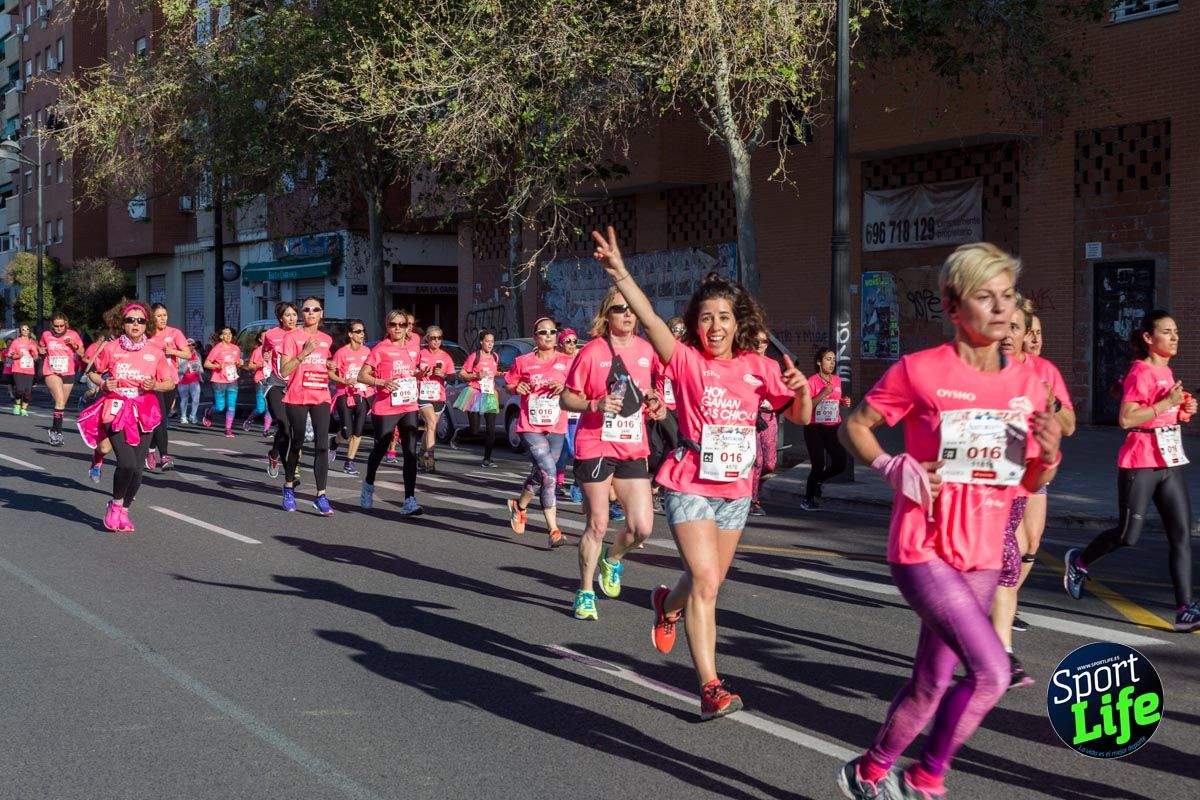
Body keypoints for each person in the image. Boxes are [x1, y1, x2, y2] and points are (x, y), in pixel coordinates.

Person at [835, 242, 1062, 800]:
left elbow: (1027, 484)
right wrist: (892, 466)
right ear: (952, 305)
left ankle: (866, 773)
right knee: (991, 672)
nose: (1001, 308)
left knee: (932, 682)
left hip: (984, 554)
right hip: (922, 547)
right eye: (986, 297)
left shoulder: (1030, 387)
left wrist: (1050, 457)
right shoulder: (921, 371)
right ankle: (925, 779)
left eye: (1007, 296)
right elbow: (855, 427)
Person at [589, 228, 811, 718]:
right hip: (687, 482)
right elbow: (648, 318)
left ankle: (667, 604)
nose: (715, 326)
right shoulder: (685, 361)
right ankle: (711, 688)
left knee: (705, 582)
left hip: (735, 490)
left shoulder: (759, 366)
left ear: (738, 324)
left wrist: (802, 388)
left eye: (724, 318)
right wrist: (621, 273)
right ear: (696, 323)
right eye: (706, 317)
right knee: (707, 578)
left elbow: (801, 417)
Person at [1065, 310, 1200, 632]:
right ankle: (1079, 563)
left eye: (1176, 331)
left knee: (1181, 535)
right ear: (1148, 338)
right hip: (1140, 462)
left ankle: (1184, 610)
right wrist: (1167, 404)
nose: (1175, 337)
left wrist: (1183, 410)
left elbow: (1163, 413)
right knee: (1128, 536)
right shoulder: (1141, 371)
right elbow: (1126, 419)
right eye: (1167, 332)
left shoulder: (1165, 370)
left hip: (1168, 461)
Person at [559, 282, 663, 622]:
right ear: (607, 315)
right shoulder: (592, 352)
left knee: (642, 528)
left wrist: (657, 403)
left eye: (632, 308)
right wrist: (596, 403)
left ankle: (613, 559)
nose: (628, 314)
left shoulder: (647, 350)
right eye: (621, 309)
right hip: (596, 443)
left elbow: (657, 387)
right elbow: (566, 398)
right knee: (598, 522)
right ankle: (586, 591)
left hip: (633, 445)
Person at [989, 298, 1077, 688]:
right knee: (1008, 550)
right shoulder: (980, 367)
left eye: (1020, 329)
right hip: (988, 479)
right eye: (1005, 326)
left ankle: (1000, 623)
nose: (1017, 336)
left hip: (1031, 473)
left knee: (1027, 545)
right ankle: (996, 639)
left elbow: (1069, 425)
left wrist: (1050, 401)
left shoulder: (1042, 373)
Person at [79, 302, 177, 532]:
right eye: (130, 320)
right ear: (121, 323)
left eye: (140, 321)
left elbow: (170, 382)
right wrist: (103, 383)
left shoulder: (155, 352)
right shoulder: (111, 348)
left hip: (144, 409)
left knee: (137, 469)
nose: (135, 324)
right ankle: (114, 504)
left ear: (147, 325)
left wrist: (156, 385)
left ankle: (124, 510)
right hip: (116, 406)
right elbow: (92, 372)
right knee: (127, 462)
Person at [504, 317, 573, 548]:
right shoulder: (523, 361)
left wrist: (564, 387)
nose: (548, 336)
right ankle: (553, 530)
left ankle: (519, 506)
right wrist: (517, 387)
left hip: (556, 425)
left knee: (543, 473)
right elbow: (508, 384)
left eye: (553, 332)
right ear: (535, 337)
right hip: (530, 425)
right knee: (550, 474)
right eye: (543, 332)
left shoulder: (567, 361)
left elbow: (577, 387)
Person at [358, 310, 424, 516]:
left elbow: (414, 370)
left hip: (409, 405)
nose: (397, 328)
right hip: (385, 407)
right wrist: (381, 382)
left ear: (407, 327)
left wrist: (421, 373)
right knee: (380, 448)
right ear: (387, 326)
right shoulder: (380, 349)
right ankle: (368, 484)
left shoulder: (413, 347)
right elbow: (362, 375)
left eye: (402, 324)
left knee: (411, 453)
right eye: (393, 324)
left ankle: (409, 500)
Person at [279, 296, 335, 515]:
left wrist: (328, 366)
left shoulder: (327, 339)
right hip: (297, 396)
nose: (311, 312)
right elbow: (284, 370)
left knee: (322, 445)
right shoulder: (291, 337)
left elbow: (323, 365)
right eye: (307, 309)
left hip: (321, 395)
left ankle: (321, 495)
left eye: (316, 309)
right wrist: (304, 353)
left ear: (322, 314)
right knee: (298, 442)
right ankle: (289, 487)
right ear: (302, 314)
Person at [801, 347, 851, 511]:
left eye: (833, 359)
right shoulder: (812, 381)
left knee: (840, 463)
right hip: (814, 428)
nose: (832, 363)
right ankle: (807, 499)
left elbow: (835, 400)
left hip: (833, 428)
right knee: (818, 464)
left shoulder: (836, 380)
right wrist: (822, 393)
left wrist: (843, 401)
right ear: (819, 362)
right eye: (828, 359)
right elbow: (807, 406)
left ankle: (819, 480)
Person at [145, 304, 189, 471]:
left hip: (170, 380)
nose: (163, 318)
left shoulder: (174, 333)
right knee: (161, 418)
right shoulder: (146, 335)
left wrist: (172, 351)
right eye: (158, 315)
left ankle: (150, 450)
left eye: (165, 315)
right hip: (152, 383)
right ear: (151, 318)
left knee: (162, 419)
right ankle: (164, 456)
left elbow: (187, 353)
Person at [748, 329, 786, 516]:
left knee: (770, 463)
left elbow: (779, 390)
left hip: (770, 415)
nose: (760, 344)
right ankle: (752, 500)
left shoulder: (773, 364)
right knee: (757, 461)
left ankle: (750, 487)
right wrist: (753, 414)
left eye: (764, 341)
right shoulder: (744, 361)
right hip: (749, 417)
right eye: (756, 340)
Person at [329, 319, 371, 475]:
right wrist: (344, 381)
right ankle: (334, 441)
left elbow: (372, 371)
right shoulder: (341, 352)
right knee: (347, 432)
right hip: (344, 394)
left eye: (363, 331)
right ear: (350, 334)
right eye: (358, 331)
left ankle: (349, 462)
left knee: (358, 430)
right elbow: (330, 373)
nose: (362, 334)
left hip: (362, 393)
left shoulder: (367, 352)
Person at [262, 302, 299, 479]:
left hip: (296, 385)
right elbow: (265, 352)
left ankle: (274, 454)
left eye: (294, 314)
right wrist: (266, 358)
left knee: (292, 429)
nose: (292, 318)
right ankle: (290, 466)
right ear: (280, 318)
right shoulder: (271, 335)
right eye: (288, 315)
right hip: (276, 384)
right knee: (284, 424)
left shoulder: (302, 335)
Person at [455, 329, 501, 468]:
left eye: (492, 342)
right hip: (474, 392)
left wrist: (501, 374)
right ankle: (459, 434)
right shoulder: (474, 356)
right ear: (481, 342)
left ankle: (487, 459)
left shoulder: (495, 357)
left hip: (489, 393)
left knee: (491, 429)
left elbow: (493, 373)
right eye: (487, 341)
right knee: (474, 430)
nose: (490, 344)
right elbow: (462, 374)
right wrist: (475, 376)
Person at [39, 312, 85, 446]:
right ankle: (57, 434)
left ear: (66, 324)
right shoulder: (46, 335)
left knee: (61, 405)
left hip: (68, 372)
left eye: (61, 326)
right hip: (51, 371)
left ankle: (53, 428)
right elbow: (40, 347)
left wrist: (73, 345)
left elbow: (81, 352)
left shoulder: (73, 334)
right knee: (59, 401)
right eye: (56, 326)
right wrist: (40, 350)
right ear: (52, 325)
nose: (59, 328)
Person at [417, 324, 455, 472]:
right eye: (433, 338)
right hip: (423, 395)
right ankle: (430, 459)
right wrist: (420, 374)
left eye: (439, 338)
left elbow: (452, 378)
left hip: (439, 396)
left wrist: (443, 375)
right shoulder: (421, 354)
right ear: (427, 339)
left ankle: (420, 454)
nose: (436, 341)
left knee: (429, 428)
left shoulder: (445, 357)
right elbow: (412, 371)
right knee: (432, 424)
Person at [554, 328, 582, 501]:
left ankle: (578, 484)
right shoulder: (557, 360)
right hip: (563, 409)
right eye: (568, 341)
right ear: (561, 343)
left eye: (574, 341)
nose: (572, 344)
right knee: (564, 449)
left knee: (576, 449)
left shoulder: (580, 358)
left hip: (578, 409)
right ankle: (558, 481)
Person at [203, 326, 244, 438]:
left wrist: (240, 362)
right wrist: (217, 366)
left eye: (230, 333)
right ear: (221, 336)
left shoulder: (236, 348)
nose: (228, 336)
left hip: (232, 380)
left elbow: (238, 363)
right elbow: (206, 364)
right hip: (218, 380)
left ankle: (228, 429)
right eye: (225, 334)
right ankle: (209, 412)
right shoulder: (217, 348)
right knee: (220, 407)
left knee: (231, 406)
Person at [244, 331, 272, 435]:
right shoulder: (257, 351)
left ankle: (266, 430)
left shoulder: (275, 350)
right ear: (260, 339)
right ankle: (250, 419)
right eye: (265, 337)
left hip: (272, 381)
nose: (268, 339)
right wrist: (259, 365)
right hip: (260, 380)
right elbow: (250, 366)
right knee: (261, 408)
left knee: (270, 407)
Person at [7, 324, 37, 416]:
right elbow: (9, 354)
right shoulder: (16, 342)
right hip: (18, 368)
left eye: (27, 329)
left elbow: (36, 356)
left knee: (28, 391)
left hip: (29, 369)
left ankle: (24, 408)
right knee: (20, 390)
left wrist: (34, 354)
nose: (25, 331)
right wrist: (17, 355)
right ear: (20, 331)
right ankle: (17, 405)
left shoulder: (32, 342)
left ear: (29, 331)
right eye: (23, 329)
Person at [177, 339, 203, 425]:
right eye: (189, 345)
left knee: (196, 399)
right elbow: (177, 368)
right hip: (183, 380)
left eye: (193, 344)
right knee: (184, 399)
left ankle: (193, 415)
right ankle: (183, 416)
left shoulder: (197, 354)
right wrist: (185, 368)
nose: (191, 346)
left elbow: (200, 367)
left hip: (194, 380)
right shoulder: (180, 355)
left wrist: (199, 370)